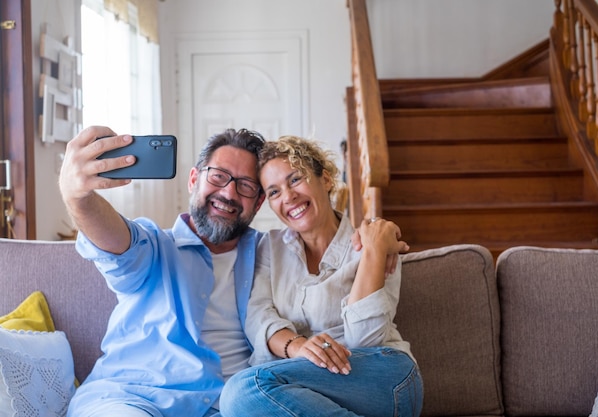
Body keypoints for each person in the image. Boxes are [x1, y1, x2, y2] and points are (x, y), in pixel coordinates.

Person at [58, 125, 266, 417]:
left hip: (225, 406)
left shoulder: (270, 256)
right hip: (131, 399)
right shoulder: (152, 246)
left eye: (245, 185)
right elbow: (116, 243)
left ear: (258, 201)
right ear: (194, 180)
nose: (228, 192)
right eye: (218, 176)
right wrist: (78, 198)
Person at [219, 135, 424, 417]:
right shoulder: (270, 246)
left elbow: (366, 340)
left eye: (295, 179)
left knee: (242, 391)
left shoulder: (373, 241)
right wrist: (298, 346)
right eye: (274, 192)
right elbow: (258, 315)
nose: (288, 196)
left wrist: (375, 252)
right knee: (241, 398)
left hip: (383, 376)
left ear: (326, 180)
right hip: (308, 385)